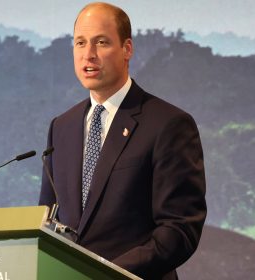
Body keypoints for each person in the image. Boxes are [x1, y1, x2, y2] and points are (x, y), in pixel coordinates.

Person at [39, 2, 207, 279]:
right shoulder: (62, 127)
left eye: (101, 42)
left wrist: (106, 273)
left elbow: (179, 229)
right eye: (80, 43)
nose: (88, 55)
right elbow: (46, 220)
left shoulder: (168, 124)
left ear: (127, 49)